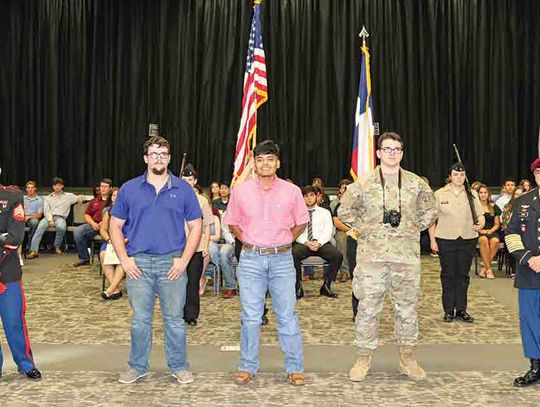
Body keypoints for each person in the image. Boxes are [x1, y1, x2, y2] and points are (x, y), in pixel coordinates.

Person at [338, 131, 438, 382]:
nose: (392, 153)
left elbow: (431, 209)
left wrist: (414, 226)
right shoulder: (362, 184)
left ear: (402, 153)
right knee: (368, 309)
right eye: (387, 149)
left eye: (397, 149)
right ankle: (363, 359)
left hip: (406, 259)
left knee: (407, 310)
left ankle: (408, 359)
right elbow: (344, 212)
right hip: (372, 258)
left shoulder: (416, 183)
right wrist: (365, 228)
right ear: (379, 153)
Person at [109, 136, 202, 385]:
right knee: (140, 321)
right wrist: (125, 260)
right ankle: (137, 366)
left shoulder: (183, 189)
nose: (158, 158)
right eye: (154, 153)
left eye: (163, 154)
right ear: (145, 158)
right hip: (138, 264)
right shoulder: (129, 189)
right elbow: (114, 226)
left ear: (169, 158)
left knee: (174, 321)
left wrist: (183, 261)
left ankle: (179, 366)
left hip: (172, 264)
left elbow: (196, 227)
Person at [224, 140, 309, 386]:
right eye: (260, 159)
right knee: (250, 316)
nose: (265, 164)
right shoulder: (240, 191)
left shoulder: (291, 191)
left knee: (287, 316)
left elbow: (301, 221)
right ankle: (247, 367)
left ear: (278, 163)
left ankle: (295, 367)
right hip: (250, 259)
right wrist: (249, 241)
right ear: (254, 163)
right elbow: (232, 222)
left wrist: (285, 241)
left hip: (282, 259)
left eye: (270, 159)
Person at [429, 163, 485, 323]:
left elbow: (480, 214)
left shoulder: (472, 193)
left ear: (465, 176)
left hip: (467, 238)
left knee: (463, 275)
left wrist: (480, 223)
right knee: (448, 275)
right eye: (455, 174)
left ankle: (461, 309)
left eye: (462, 175)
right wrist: (432, 240)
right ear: (450, 176)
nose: (459, 177)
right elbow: (432, 220)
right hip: (445, 239)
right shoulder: (439, 194)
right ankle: (448, 310)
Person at [0, 171, 41, 380]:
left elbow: (14, 237)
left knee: (14, 321)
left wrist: (4, 239)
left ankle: (25, 364)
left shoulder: (12, 197)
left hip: (7, 271)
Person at [505, 158, 540, 387]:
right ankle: (536, 366)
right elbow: (511, 233)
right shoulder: (523, 201)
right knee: (530, 320)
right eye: (538, 172)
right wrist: (528, 259)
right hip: (529, 271)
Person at [292, 185, 342, 299]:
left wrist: (319, 243)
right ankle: (297, 287)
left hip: (321, 243)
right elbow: (295, 231)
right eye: (306, 196)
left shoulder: (325, 212)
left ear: (317, 196)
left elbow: (329, 231)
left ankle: (326, 286)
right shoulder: (297, 213)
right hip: (303, 243)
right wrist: (306, 242)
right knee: (292, 255)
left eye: (311, 195)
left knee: (337, 256)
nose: (309, 198)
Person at [180, 165, 213, 327]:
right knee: (177, 281)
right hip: (177, 246)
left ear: (195, 181)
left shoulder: (202, 201)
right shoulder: (173, 197)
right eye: (184, 180)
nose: (187, 182)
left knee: (193, 281)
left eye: (190, 180)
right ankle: (177, 313)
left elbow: (207, 225)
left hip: (197, 247)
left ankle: (191, 315)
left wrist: (206, 246)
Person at [28, 177, 82, 257]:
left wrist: (80, 197)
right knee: (40, 228)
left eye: (59, 185)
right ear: (53, 187)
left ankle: (57, 246)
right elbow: (46, 210)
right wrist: (50, 220)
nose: (57, 187)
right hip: (48, 217)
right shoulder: (48, 198)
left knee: (61, 227)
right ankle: (34, 250)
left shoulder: (69, 196)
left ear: (62, 186)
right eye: (55, 185)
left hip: (60, 217)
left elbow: (79, 197)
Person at [73, 178, 112, 267]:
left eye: (105, 187)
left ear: (110, 188)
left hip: (108, 227)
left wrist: (104, 223)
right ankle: (84, 259)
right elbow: (87, 215)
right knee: (78, 231)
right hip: (94, 225)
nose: (103, 189)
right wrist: (92, 223)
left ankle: (106, 258)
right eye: (102, 186)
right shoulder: (94, 201)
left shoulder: (113, 200)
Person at [99, 188, 125, 300]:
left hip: (126, 241)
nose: (116, 197)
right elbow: (103, 230)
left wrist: (123, 240)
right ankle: (116, 289)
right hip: (111, 241)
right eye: (114, 195)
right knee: (103, 254)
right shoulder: (108, 212)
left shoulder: (130, 211)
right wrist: (109, 239)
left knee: (124, 257)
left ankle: (112, 288)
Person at [477, 184, 502, 279]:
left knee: (495, 241)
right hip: (478, 231)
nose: (483, 195)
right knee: (483, 240)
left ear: (488, 194)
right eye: (481, 192)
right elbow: (470, 222)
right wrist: (481, 230)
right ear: (478, 194)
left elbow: (497, 224)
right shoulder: (475, 206)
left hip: (492, 231)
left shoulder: (493, 207)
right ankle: (489, 269)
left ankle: (485, 268)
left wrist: (490, 231)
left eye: (485, 192)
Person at [23, 181, 43, 255]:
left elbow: (39, 215)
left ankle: (31, 246)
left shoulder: (39, 200)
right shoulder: (22, 199)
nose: (30, 189)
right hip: (22, 217)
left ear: (35, 189)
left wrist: (28, 217)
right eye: (28, 188)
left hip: (33, 218)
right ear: (26, 189)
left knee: (35, 222)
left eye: (32, 188)